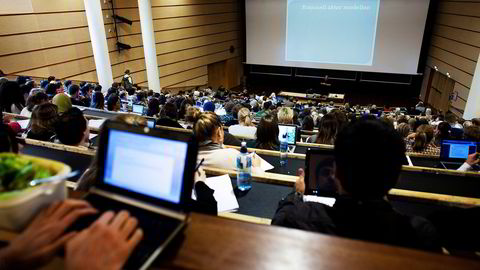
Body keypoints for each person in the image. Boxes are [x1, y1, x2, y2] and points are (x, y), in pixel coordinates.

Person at [272, 120, 440, 251]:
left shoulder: (299, 218)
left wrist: (298, 194)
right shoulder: (420, 235)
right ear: (397, 178)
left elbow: (280, 222)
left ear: (334, 172)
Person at [193, 111, 260, 170]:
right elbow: (258, 176)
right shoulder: (233, 155)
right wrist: (257, 166)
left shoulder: (188, 156)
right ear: (219, 132)